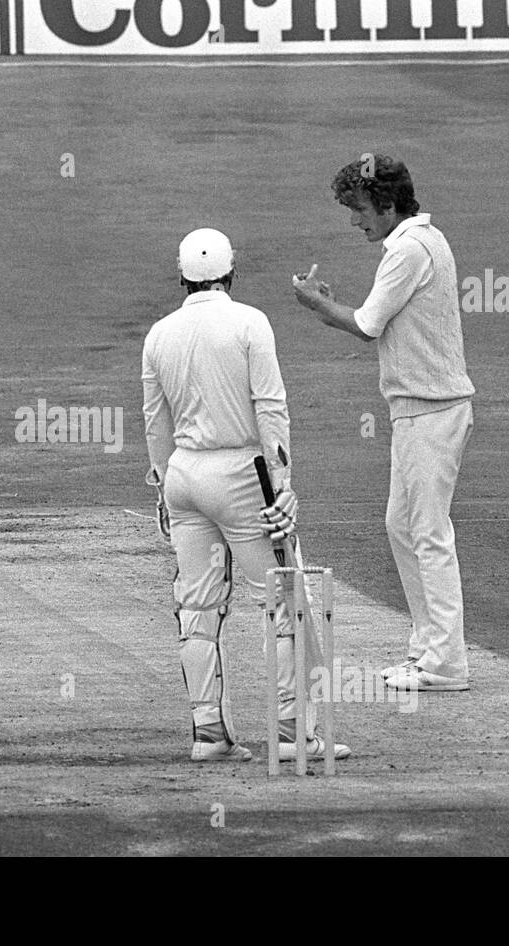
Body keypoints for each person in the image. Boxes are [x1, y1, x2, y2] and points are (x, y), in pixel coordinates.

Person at [143, 227, 351, 763]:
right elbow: (270, 407)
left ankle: (208, 735)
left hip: (185, 476)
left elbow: (155, 423)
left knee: (196, 607)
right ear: (231, 273)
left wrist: (164, 488)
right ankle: (292, 734)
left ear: (182, 277)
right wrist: (282, 485)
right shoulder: (250, 323)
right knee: (283, 601)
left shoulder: (159, 334)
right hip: (243, 476)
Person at [290, 154, 475, 692]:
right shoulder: (420, 241)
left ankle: (446, 663)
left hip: (431, 410)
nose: (355, 220)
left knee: (429, 534)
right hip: (420, 409)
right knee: (403, 526)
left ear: (390, 205)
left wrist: (316, 305)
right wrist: (330, 305)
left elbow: (368, 325)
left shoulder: (409, 251)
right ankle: (428, 650)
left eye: (361, 209)